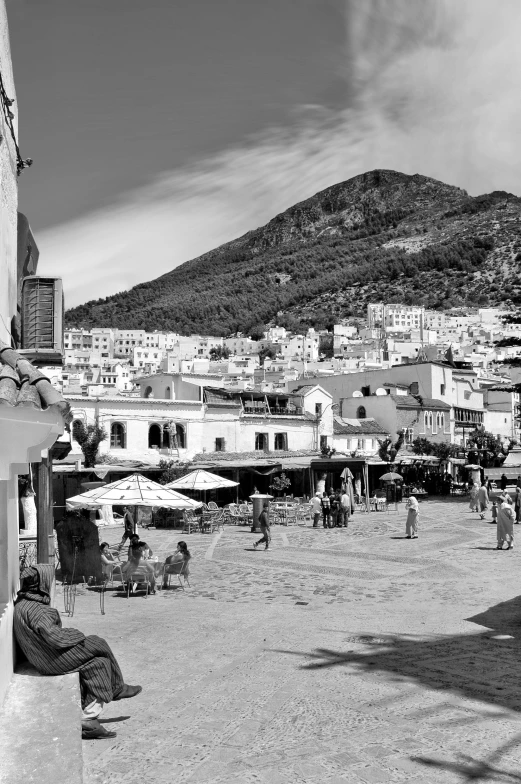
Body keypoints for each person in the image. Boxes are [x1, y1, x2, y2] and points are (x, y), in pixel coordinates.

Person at [14, 565, 142, 740]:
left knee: (99, 664)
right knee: (98, 643)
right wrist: (76, 634)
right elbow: (56, 638)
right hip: (50, 660)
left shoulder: (24, 604)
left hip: (43, 656)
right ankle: (117, 688)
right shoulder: (38, 611)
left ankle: (90, 719)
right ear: (42, 583)